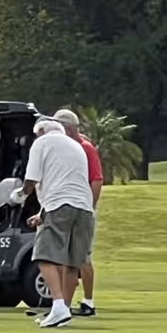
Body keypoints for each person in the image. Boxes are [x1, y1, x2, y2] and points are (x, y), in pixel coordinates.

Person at [22, 118, 96, 329]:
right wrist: (42, 214)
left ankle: (59, 307)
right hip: (84, 208)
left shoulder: (42, 143)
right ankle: (62, 310)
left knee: (43, 255)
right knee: (73, 263)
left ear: (43, 131)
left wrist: (19, 195)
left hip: (60, 206)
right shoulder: (76, 146)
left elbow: (32, 178)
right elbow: (66, 183)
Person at [52, 108, 103, 317]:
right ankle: (63, 303)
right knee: (67, 258)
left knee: (82, 258)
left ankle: (88, 302)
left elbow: (97, 179)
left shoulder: (85, 148)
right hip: (70, 206)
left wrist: (89, 206)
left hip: (82, 208)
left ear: (68, 128)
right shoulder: (66, 147)